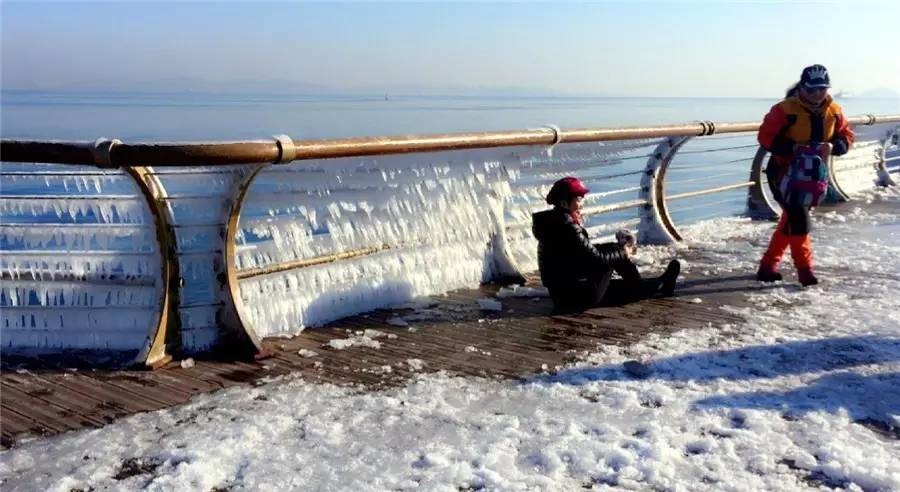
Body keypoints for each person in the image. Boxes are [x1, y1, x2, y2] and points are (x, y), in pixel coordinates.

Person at [756, 64, 854, 286]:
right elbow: (765, 136)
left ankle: (768, 266)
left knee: (791, 219)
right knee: (799, 219)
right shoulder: (784, 109)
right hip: (783, 174)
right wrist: (791, 148)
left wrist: (836, 145)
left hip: (813, 177)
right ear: (802, 87)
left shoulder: (835, 111)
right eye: (812, 89)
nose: (817, 94)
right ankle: (805, 271)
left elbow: (846, 135)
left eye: (822, 89)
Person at [532, 176, 680, 314]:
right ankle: (649, 284)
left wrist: (617, 249)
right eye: (578, 199)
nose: (582, 204)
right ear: (564, 202)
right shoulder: (567, 225)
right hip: (578, 297)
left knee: (618, 279)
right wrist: (624, 252)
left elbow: (582, 252)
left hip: (562, 295)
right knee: (615, 256)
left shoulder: (552, 222)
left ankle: (656, 284)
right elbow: (597, 259)